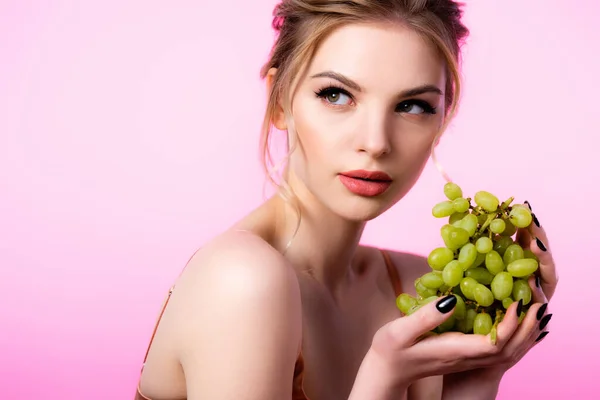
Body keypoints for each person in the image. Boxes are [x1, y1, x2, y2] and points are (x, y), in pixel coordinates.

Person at [134, 1, 558, 399]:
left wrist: (475, 383)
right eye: (336, 95)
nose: (375, 143)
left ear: (444, 116)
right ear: (279, 99)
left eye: (413, 105)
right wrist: (381, 379)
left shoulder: (415, 288)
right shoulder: (242, 280)